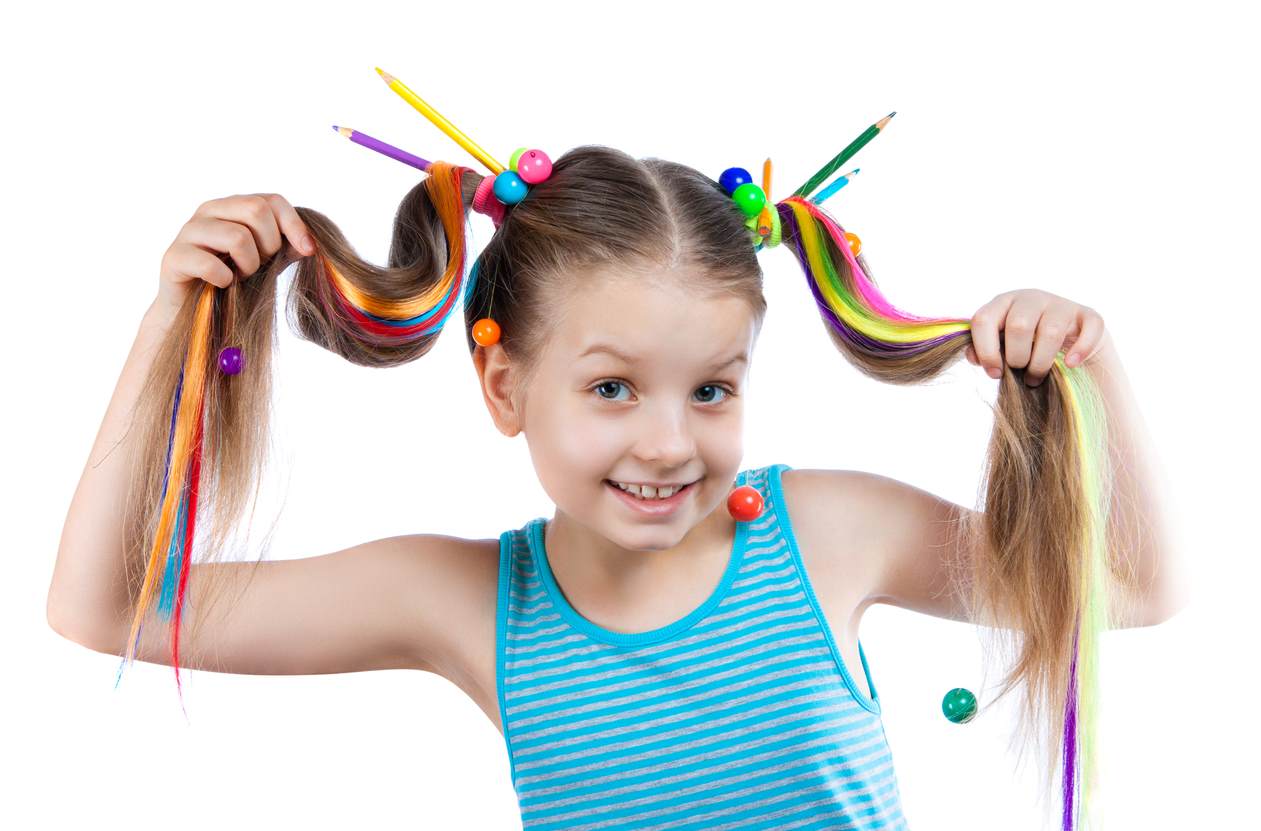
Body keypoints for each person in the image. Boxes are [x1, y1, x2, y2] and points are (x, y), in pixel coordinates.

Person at [46, 145, 1187, 830]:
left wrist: (1090, 363)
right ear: (503, 386)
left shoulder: (830, 532)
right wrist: (169, 330)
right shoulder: (468, 604)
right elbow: (105, 607)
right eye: (610, 389)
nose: (667, 443)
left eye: (711, 390)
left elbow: (1131, 585)